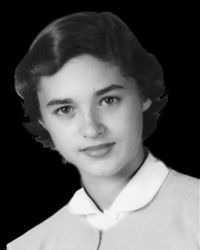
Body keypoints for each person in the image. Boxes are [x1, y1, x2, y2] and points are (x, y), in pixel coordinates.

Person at [7, 11, 199, 250]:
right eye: (65, 109)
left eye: (108, 100)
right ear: (43, 121)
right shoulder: (28, 247)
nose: (91, 128)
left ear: (144, 96)